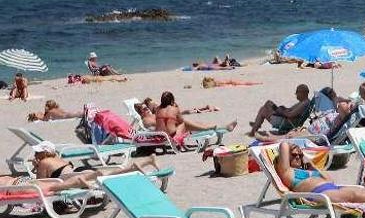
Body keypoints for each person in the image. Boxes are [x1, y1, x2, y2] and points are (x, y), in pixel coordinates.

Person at [274, 141, 365, 202]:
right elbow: (284, 145)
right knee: (353, 194)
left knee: (360, 190)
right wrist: (295, 146)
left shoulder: (308, 169)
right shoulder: (287, 172)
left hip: (331, 187)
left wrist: (313, 165)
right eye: (294, 154)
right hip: (319, 194)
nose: (298, 156)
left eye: (299, 155)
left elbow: (329, 179)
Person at [31, 140, 162, 181]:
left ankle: (138, 165)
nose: (35, 154)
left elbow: (40, 183)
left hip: (77, 176)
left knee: (111, 176)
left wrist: (37, 167)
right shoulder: (56, 158)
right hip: (77, 172)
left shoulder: (44, 162)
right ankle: (145, 162)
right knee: (111, 174)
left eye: (38, 151)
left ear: (46, 152)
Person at [154, 91, 236, 150]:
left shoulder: (157, 109)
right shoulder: (174, 109)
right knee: (187, 123)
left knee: (193, 124)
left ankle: (213, 127)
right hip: (171, 135)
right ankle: (219, 127)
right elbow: (180, 121)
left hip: (160, 136)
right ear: (172, 100)